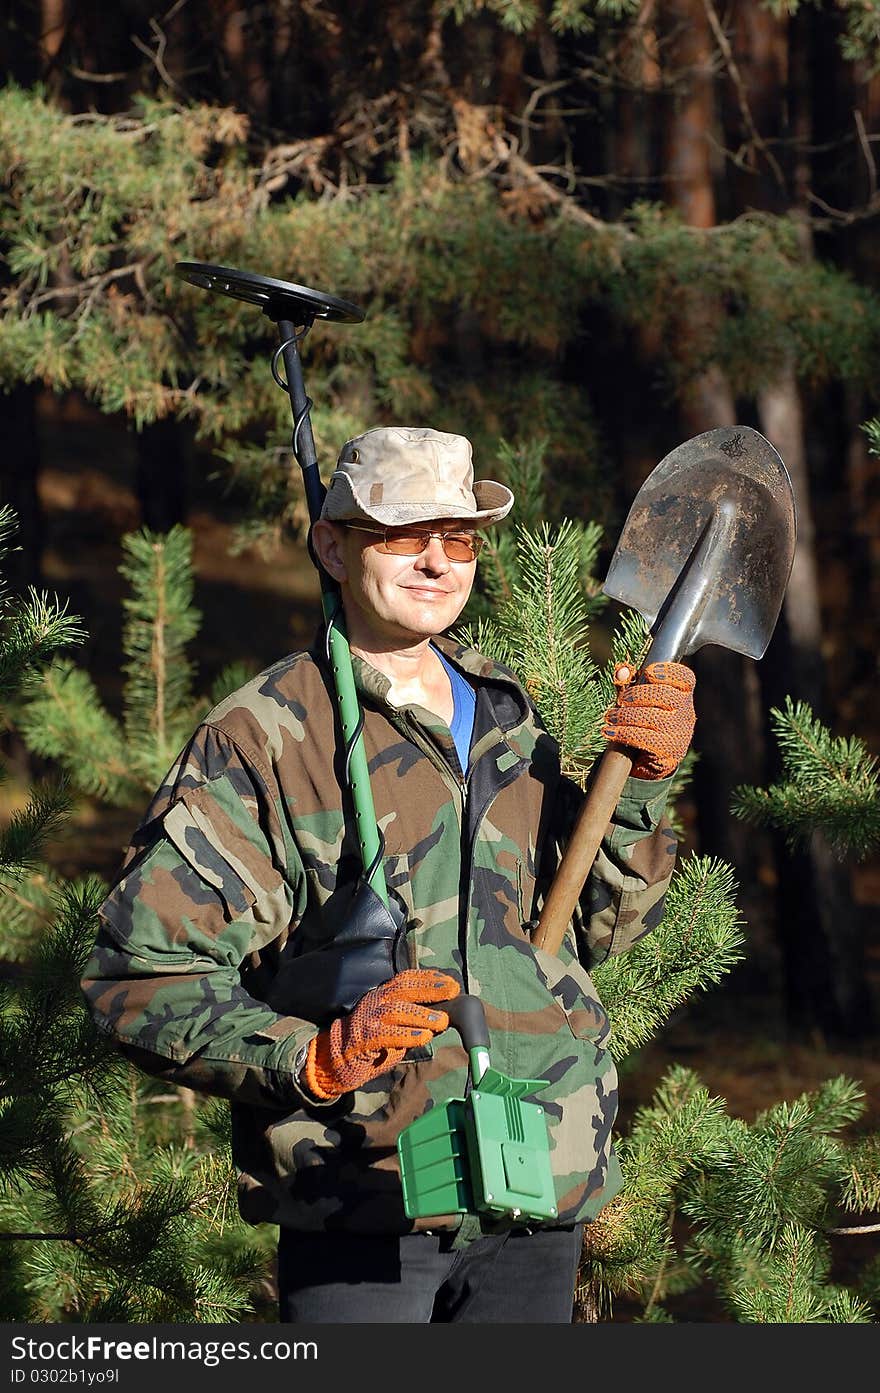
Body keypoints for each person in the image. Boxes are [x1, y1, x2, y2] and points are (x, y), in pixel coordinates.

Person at [81, 425, 696, 1324]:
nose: (436, 561)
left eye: (458, 539)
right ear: (331, 545)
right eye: (401, 536)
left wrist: (640, 789)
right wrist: (314, 1057)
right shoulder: (267, 737)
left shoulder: (508, 719)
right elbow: (138, 977)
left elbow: (600, 929)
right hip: (364, 1197)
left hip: (536, 1182)